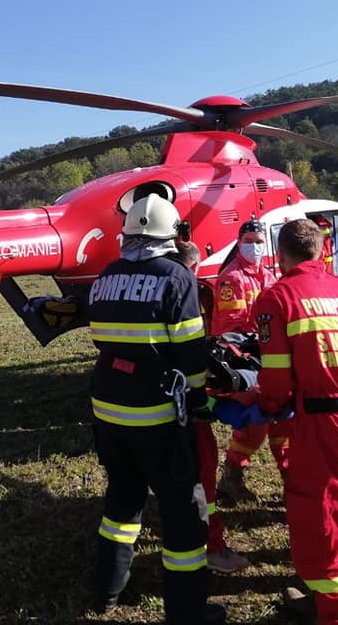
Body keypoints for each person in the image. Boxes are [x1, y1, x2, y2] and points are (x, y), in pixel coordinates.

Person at [88, 194, 226, 625]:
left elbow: (100, 338)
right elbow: (190, 353)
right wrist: (201, 399)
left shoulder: (106, 275)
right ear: (172, 235)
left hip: (108, 408)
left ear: (127, 234)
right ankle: (187, 612)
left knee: (122, 502)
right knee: (184, 513)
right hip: (158, 415)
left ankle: (106, 592)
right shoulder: (176, 277)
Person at [252, 219, 338, 625]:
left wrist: (268, 405)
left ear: (280, 253)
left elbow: (275, 375)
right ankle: (330, 590)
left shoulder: (278, 297)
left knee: (317, 523)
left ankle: (337, 615)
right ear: (323, 250)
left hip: (328, 423)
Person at [174, 240, 250, 574]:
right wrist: (208, 400)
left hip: (144, 407)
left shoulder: (144, 293)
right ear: (193, 267)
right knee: (203, 473)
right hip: (187, 404)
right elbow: (192, 358)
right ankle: (211, 546)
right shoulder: (188, 295)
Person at [210, 220, 289, 505]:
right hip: (240, 359)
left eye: (259, 241)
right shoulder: (233, 278)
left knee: (278, 422)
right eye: (250, 241)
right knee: (252, 425)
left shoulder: (267, 275)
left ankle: (285, 477)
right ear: (239, 242)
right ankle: (231, 476)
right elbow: (234, 327)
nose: (255, 246)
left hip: (265, 356)